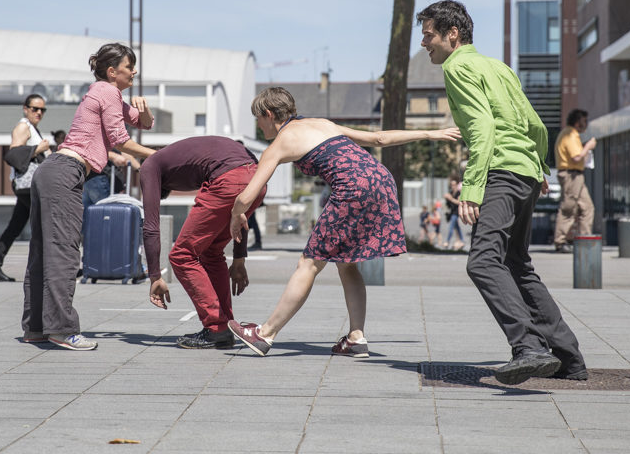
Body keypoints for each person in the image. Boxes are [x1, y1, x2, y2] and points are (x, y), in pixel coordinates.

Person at [418, 0, 587, 385]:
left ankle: (528, 347)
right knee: (516, 264)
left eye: (428, 35)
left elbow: (481, 128)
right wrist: (538, 167)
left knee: (482, 262)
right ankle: (569, 359)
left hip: (500, 172)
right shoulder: (498, 67)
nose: (424, 44)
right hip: (524, 172)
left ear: (452, 34)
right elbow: (535, 123)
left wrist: (471, 188)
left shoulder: (458, 67)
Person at [226, 87, 459, 358]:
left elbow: (246, 197)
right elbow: (379, 138)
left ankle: (265, 334)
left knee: (308, 264)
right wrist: (430, 134)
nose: (258, 125)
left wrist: (235, 215)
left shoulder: (279, 144)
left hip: (353, 189)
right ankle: (356, 338)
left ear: (268, 114)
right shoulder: (322, 124)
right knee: (347, 264)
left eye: (258, 118)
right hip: (382, 181)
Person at [23, 43, 155, 350]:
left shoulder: (104, 93)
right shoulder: (108, 92)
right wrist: (159, 157)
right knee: (64, 252)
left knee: (42, 251)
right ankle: (62, 330)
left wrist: (144, 108)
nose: (134, 71)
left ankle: (36, 328)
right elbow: (121, 140)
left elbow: (144, 123)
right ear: (112, 71)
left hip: (51, 171)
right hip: (66, 171)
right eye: (129, 66)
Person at [139, 136, 266, 348]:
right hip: (258, 179)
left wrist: (154, 277)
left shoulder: (150, 166)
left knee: (182, 255)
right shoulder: (186, 157)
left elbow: (151, 226)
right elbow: (240, 211)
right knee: (211, 252)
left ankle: (216, 327)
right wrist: (239, 259)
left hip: (228, 180)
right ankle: (225, 326)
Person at [0, 94, 53, 282]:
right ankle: (50, 268)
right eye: (35, 109)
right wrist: (38, 150)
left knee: (14, 227)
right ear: (25, 109)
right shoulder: (23, 127)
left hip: (27, 186)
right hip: (28, 186)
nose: (39, 113)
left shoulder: (33, 128)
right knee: (46, 224)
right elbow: (14, 153)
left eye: (42, 110)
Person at [552, 108, 596, 253]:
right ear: (577, 122)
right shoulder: (570, 134)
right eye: (584, 121)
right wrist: (588, 147)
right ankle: (560, 241)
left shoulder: (572, 134)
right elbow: (576, 157)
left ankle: (585, 240)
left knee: (587, 207)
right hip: (571, 175)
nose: (586, 124)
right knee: (569, 208)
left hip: (576, 175)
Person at [443, 177, 466, 251]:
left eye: (454, 184)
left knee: (451, 227)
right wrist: (446, 198)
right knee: (457, 227)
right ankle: (462, 241)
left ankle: (447, 241)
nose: (453, 186)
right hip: (452, 212)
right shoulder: (450, 193)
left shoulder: (458, 193)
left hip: (456, 212)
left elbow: (459, 202)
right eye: (451, 185)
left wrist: (450, 198)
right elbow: (448, 204)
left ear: (456, 185)